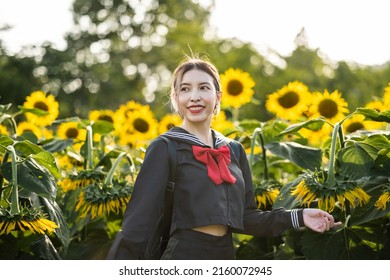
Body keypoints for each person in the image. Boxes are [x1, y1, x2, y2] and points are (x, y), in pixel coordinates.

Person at [107, 55, 341, 260]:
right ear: (176, 97)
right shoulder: (165, 147)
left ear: (218, 96)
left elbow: (246, 218)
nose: (194, 97)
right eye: (186, 89)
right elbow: (138, 224)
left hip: (224, 256)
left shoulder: (235, 150)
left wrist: (299, 216)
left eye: (204, 88)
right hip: (182, 256)